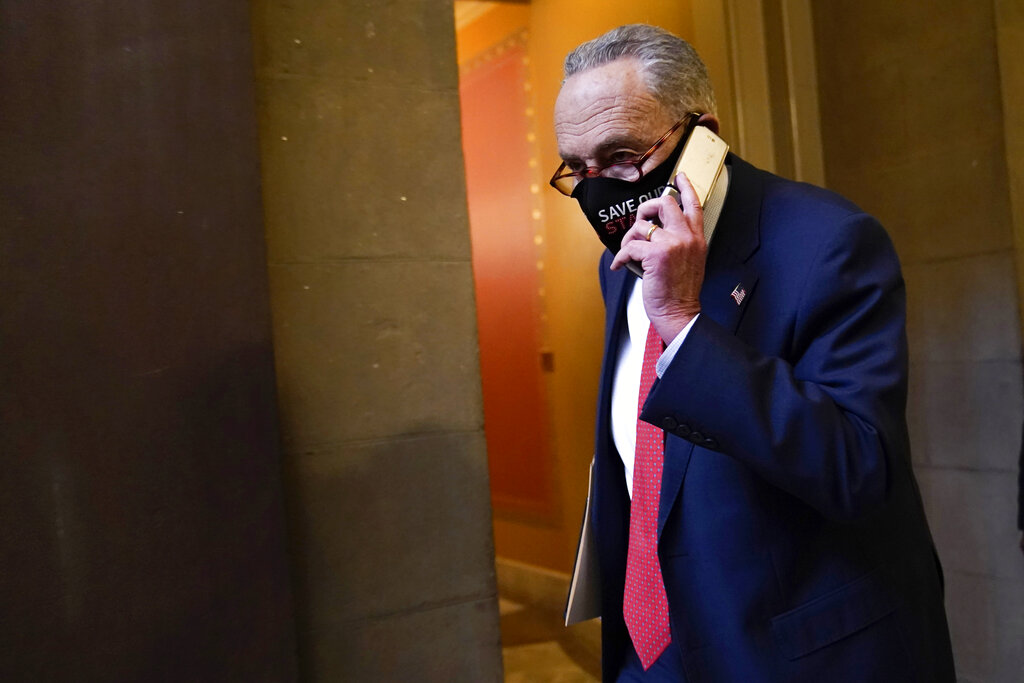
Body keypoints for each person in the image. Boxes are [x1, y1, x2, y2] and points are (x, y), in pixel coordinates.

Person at [552, 24, 955, 681]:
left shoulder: (830, 243)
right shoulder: (617, 261)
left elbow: (858, 468)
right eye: (578, 168)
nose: (599, 192)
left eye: (621, 156)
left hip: (793, 654)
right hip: (652, 654)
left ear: (702, 134)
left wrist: (684, 327)